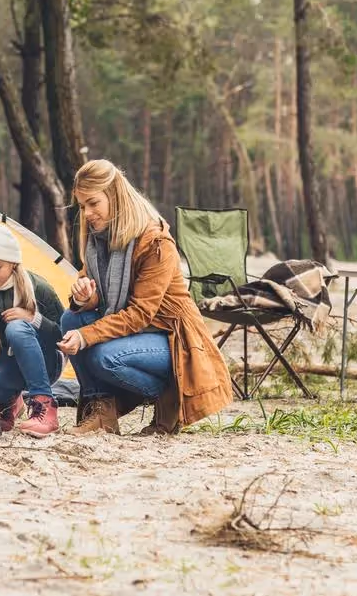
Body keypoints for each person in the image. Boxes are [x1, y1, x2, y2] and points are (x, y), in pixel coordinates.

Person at [57, 159, 233, 435]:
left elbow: (140, 314)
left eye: (93, 203)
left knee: (103, 356)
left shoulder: (155, 242)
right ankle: (102, 412)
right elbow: (93, 291)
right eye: (82, 206)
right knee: (71, 318)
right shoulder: (99, 238)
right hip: (133, 332)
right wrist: (84, 298)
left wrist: (86, 335)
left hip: (172, 339)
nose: (87, 213)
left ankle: (169, 392)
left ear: (114, 195)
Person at [0, 224, 65, 436]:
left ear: (13, 263)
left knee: (17, 328)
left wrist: (33, 319)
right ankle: (10, 403)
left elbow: (64, 336)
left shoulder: (38, 287)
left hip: (46, 363)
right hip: (7, 363)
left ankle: (44, 403)